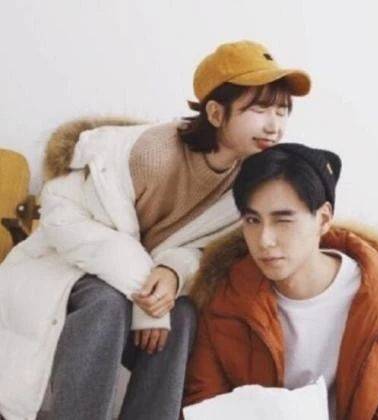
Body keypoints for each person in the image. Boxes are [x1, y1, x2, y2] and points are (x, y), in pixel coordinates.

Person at [0, 40, 310, 420]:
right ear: (216, 113)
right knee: (107, 303)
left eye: (282, 111)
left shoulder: (246, 183)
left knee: (182, 315)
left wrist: (172, 271)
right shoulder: (152, 153)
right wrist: (145, 288)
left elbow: (204, 248)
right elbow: (63, 216)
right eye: (259, 109)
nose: (274, 125)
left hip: (138, 284)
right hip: (63, 267)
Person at [184, 143, 378, 419]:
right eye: (253, 220)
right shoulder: (226, 298)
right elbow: (204, 406)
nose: (264, 240)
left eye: (283, 220)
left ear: (323, 219)